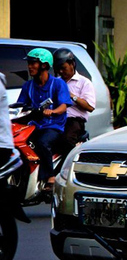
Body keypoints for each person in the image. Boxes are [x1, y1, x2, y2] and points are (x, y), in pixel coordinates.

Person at [16, 48, 72, 192]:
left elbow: (64, 106)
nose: (30, 66)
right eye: (29, 63)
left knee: (42, 142)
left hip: (53, 126)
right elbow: (21, 106)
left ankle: (50, 177)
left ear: (44, 65)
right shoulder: (27, 86)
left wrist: (52, 111)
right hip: (34, 125)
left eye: (33, 63)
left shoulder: (58, 84)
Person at [53, 48, 96, 156]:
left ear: (72, 64)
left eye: (63, 68)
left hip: (73, 121)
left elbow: (90, 107)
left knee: (66, 141)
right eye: (58, 69)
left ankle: (68, 167)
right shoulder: (56, 82)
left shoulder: (84, 82)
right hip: (55, 118)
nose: (61, 72)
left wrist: (72, 96)